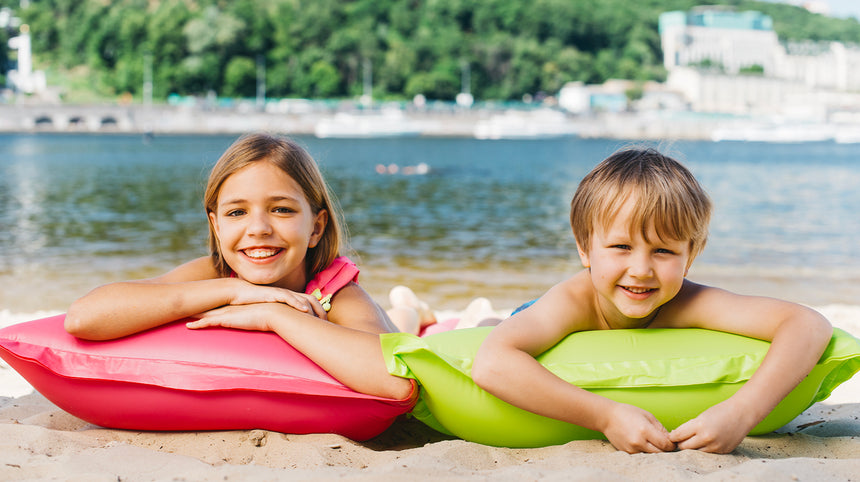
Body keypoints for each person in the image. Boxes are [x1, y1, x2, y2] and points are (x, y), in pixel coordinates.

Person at [470, 147, 833, 455]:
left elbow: (808, 323)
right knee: (487, 327)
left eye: (663, 250)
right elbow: (492, 362)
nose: (641, 270)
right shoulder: (573, 301)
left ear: (690, 255)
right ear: (585, 248)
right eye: (621, 247)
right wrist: (605, 415)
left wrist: (741, 412)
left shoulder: (690, 301)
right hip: (528, 312)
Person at [65, 133, 414, 401]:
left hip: (388, 327)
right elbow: (83, 318)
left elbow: (396, 383)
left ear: (316, 227)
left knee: (404, 323)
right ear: (217, 227)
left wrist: (274, 315)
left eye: (281, 210)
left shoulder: (336, 293)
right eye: (237, 212)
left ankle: (413, 309)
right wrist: (234, 290)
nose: (259, 228)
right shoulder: (216, 275)